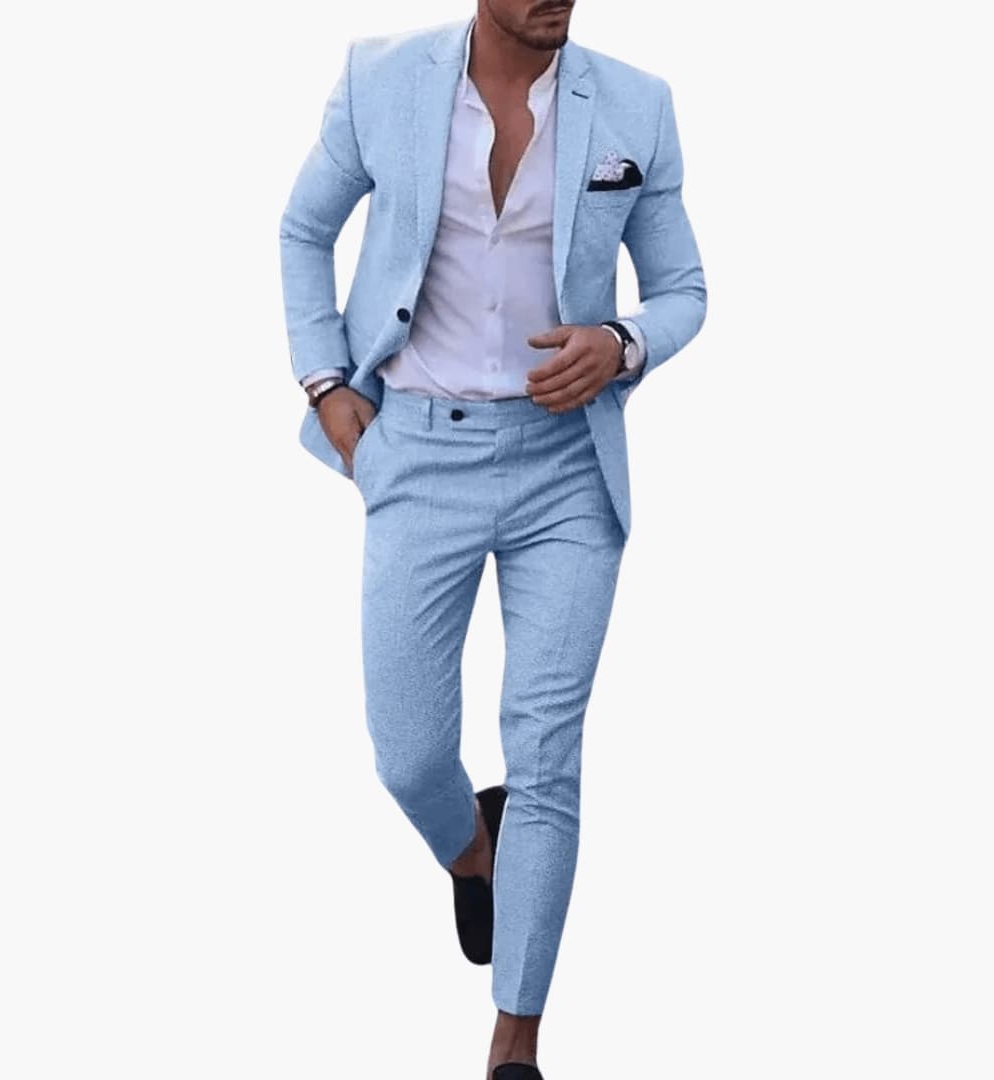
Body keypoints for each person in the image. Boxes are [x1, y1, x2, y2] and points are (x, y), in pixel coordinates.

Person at [278, 4, 706, 1077]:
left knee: (547, 753)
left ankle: (516, 1044)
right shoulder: (380, 81)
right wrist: (326, 386)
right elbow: (301, 230)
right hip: (418, 452)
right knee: (409, 752)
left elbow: (684, 290)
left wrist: (623, 342)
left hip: (568, 467)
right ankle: (476, 851)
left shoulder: (637, 105)